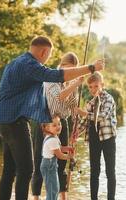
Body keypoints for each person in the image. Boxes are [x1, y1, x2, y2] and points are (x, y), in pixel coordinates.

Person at [0, 35, 104, 200]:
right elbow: (57, 76)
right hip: (15, 123)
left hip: (2, 121)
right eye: (49, 55)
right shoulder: (30, 64)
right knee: (26, 171)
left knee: (9, 170)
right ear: (44, 51)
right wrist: (91, 68)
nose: (47, 59)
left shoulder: (16, 62)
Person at [32, 52, 83, 200]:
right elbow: (60, 96)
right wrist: (75, 84)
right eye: (68, 69)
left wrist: (76, 127)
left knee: (62, 161)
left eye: (74, 70)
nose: (70, 73)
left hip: (63, 121)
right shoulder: (51, 76)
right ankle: (35, 196)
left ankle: (63, 196)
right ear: (61, 66)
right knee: (39, 158)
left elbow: (73, 105)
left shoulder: (72, 82)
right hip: (46, 120)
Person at [75, 72, 117, 200]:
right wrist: (76, 132)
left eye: (96, 86)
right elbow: (84, 123)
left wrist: (83, 113)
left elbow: (101, 116)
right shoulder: (90, 103)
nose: (93, 89)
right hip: (93, 139)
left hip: (107, 138)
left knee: (110, 171)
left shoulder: (109, 99)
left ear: (102, 85)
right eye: (90, 87)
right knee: (94, 171)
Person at [40, 115, 74, 200]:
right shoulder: (52, 140)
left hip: (50, 165)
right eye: (54, 125)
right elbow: (60, 155)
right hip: (49, 166)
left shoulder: (53, 137)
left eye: (59, 124)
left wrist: (67, 148)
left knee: (54, 188)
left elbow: (59, 148)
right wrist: (69, 156)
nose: (58, 126)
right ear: (47, 128)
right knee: (52, 190)